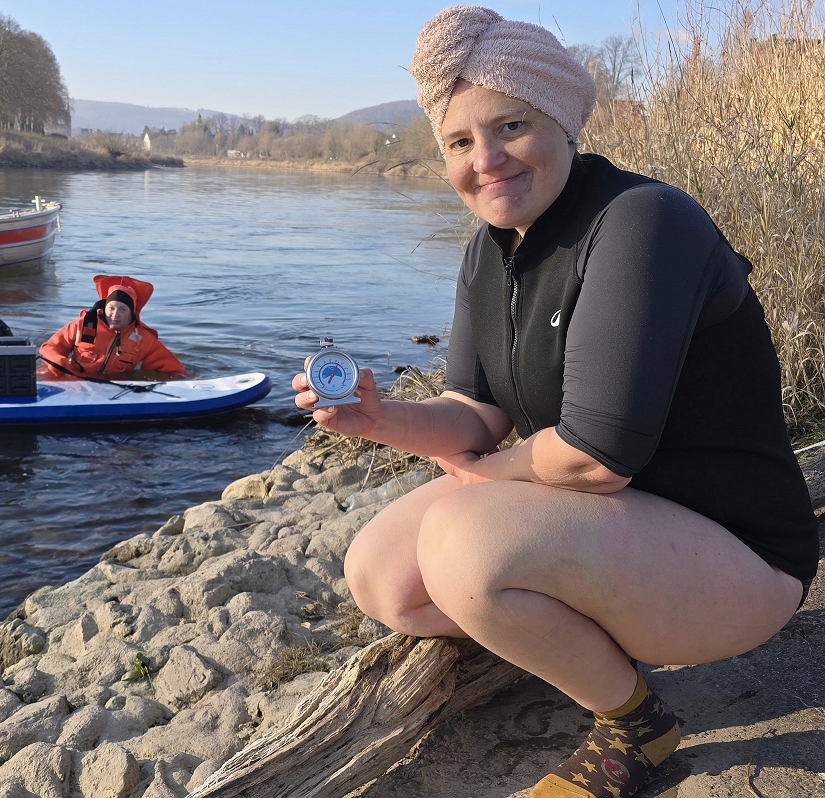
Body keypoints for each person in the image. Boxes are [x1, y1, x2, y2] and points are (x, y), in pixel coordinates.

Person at [293, 8, 819, 798]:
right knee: (382, 577)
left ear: (564, 120)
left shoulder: (643, 222)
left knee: (466, 547)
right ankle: (575, 640)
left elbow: (595, 458)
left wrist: (482, 481)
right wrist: (380, 419)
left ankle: (635, 728)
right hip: (618, 532)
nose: (486, 160)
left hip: (738, 557)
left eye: (511, 126)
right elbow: (475, 413)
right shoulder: (489, 249)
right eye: (459, 142)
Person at [39, 275, 186, 378]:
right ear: (104, 308)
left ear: (131, 314)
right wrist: (59, 360)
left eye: (123, 310)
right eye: (111, 308)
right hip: (73, 383)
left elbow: (175, 370)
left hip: (114, 389)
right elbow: (48, 348)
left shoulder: (144, 339)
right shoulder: (81, 325)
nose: (115, 315)